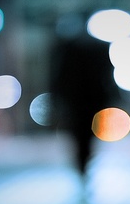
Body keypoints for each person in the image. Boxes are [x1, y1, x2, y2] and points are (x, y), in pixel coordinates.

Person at [49, 17, 118, 175]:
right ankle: (84, 162)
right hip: (92, 98)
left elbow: (59, 76)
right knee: (88, 133)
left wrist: (56, 96)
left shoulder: (67, 48)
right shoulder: (99, 47)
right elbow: (107, 76)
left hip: (75, 99)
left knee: (78, 133)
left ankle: (82, 163)